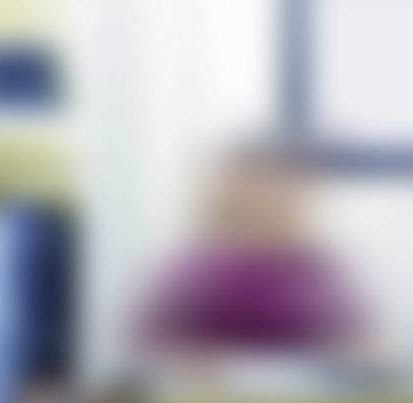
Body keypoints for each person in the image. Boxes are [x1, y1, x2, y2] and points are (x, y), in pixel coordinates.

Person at [138, 141, 370, 366]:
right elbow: (156, 342)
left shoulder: (316, 266)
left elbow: (357, 339)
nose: (264, 197)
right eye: (254, 186)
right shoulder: (195, 266)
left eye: (274, 187)